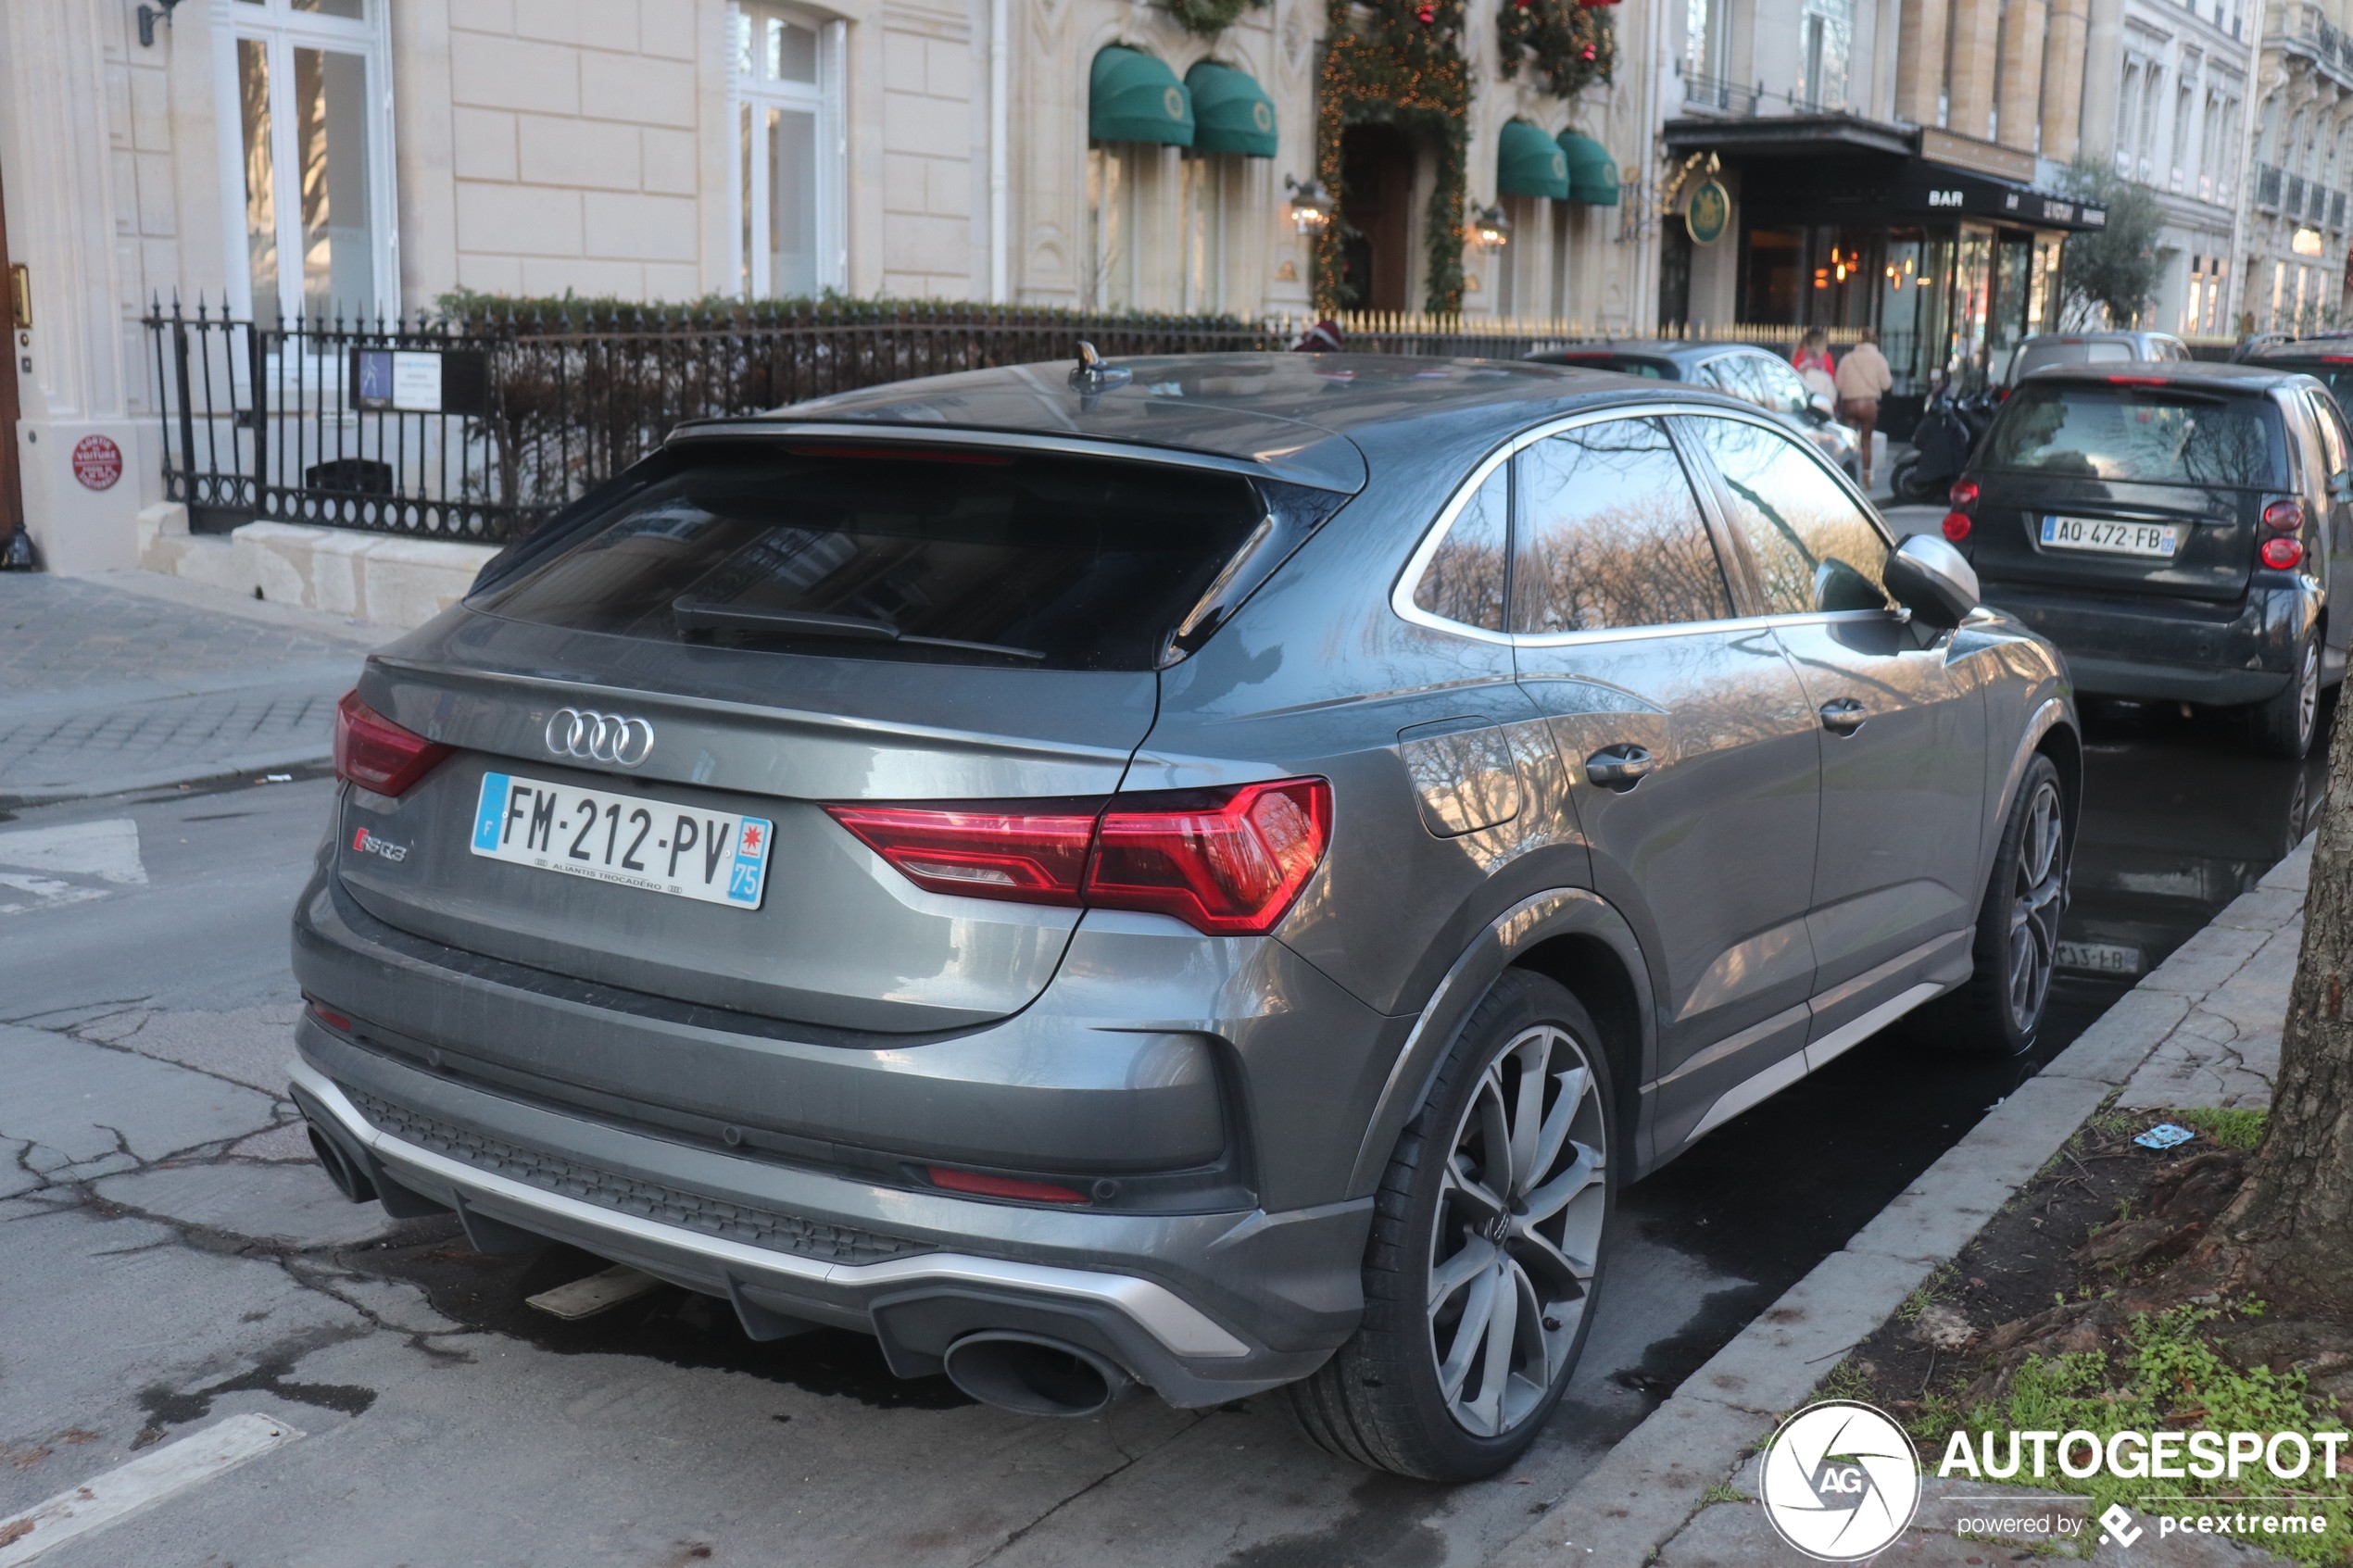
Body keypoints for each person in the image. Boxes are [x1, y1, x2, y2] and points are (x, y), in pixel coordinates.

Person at [1833, 327, 1894, 489]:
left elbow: (1838, 384)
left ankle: (1846, 478)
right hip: (1869, 405)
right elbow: (1887, 385)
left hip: (1850, 404)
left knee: (1849, 442)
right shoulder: (1879, 359)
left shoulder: (1848, 358)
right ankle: (1866, 479)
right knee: (1866, 441)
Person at [1792, 328, 1837, 402]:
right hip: (1822, 400)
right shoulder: (1826, 357)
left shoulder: (1798, 354)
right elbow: (1832, 378)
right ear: (1823, 344)